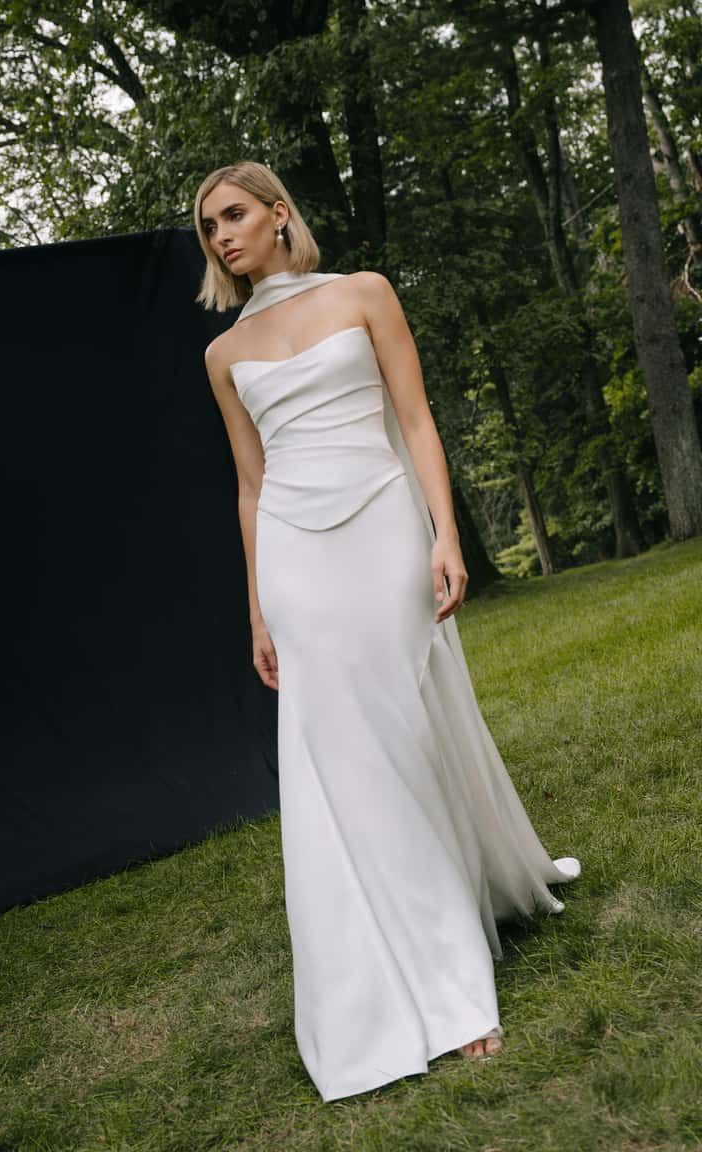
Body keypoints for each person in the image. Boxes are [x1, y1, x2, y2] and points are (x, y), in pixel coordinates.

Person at [196, 160, 580, 1104]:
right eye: (207, 228)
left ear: (280, 214)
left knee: (406, 731)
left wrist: (446, 532)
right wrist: (256, 606)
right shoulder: (220, 355)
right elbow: (250, 488)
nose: (221, 236)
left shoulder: (365, 293)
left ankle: (483, 890)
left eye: (234, 214)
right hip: (293, 554)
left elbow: (416, 421)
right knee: (341, 760)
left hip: (381, 524)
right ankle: (427, 988)